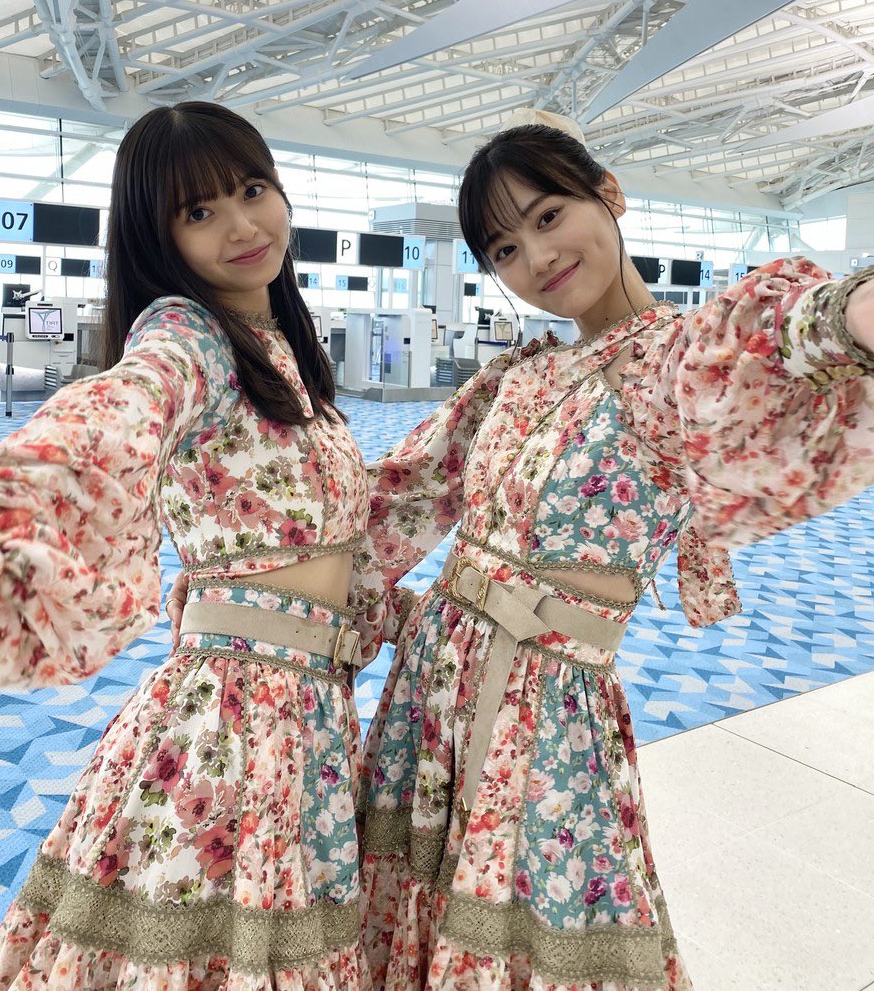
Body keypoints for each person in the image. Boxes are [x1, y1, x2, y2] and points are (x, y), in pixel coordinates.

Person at [351, 111, 874, 991]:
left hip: (543, 714)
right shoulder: (517, 374)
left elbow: (773, 331)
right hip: (426, 701)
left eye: (549, 216)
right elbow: (397, 497)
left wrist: (851, 310)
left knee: (533, 935)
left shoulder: (674, 363)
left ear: (610, 194)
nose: (537, 257)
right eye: (505, 249)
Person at [0, 102, 374, 990]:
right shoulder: (188, 336)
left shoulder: (281, 350)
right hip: (230, 725)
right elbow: (110, 417)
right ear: (157, 237)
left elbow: (344, 527)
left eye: (252, 190)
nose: (241, 226)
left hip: (307, 714)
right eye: (199, 211)